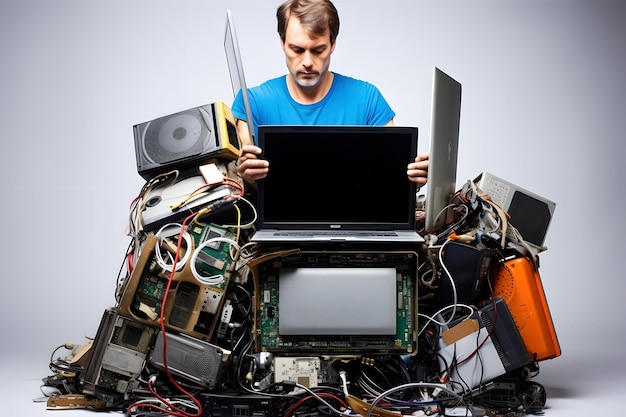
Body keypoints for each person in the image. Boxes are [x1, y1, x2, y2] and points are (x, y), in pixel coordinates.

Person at [232, 0, 429, 189]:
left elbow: (389, 178)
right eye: (297, 49)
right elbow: (245, 180)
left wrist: (411, 181)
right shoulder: (252, 103)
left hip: (356, 220)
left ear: (333, 44)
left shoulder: (368, 99)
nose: (307, 61)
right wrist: (248, 177)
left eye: (318, 50)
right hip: (278, 221)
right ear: (282, 43)